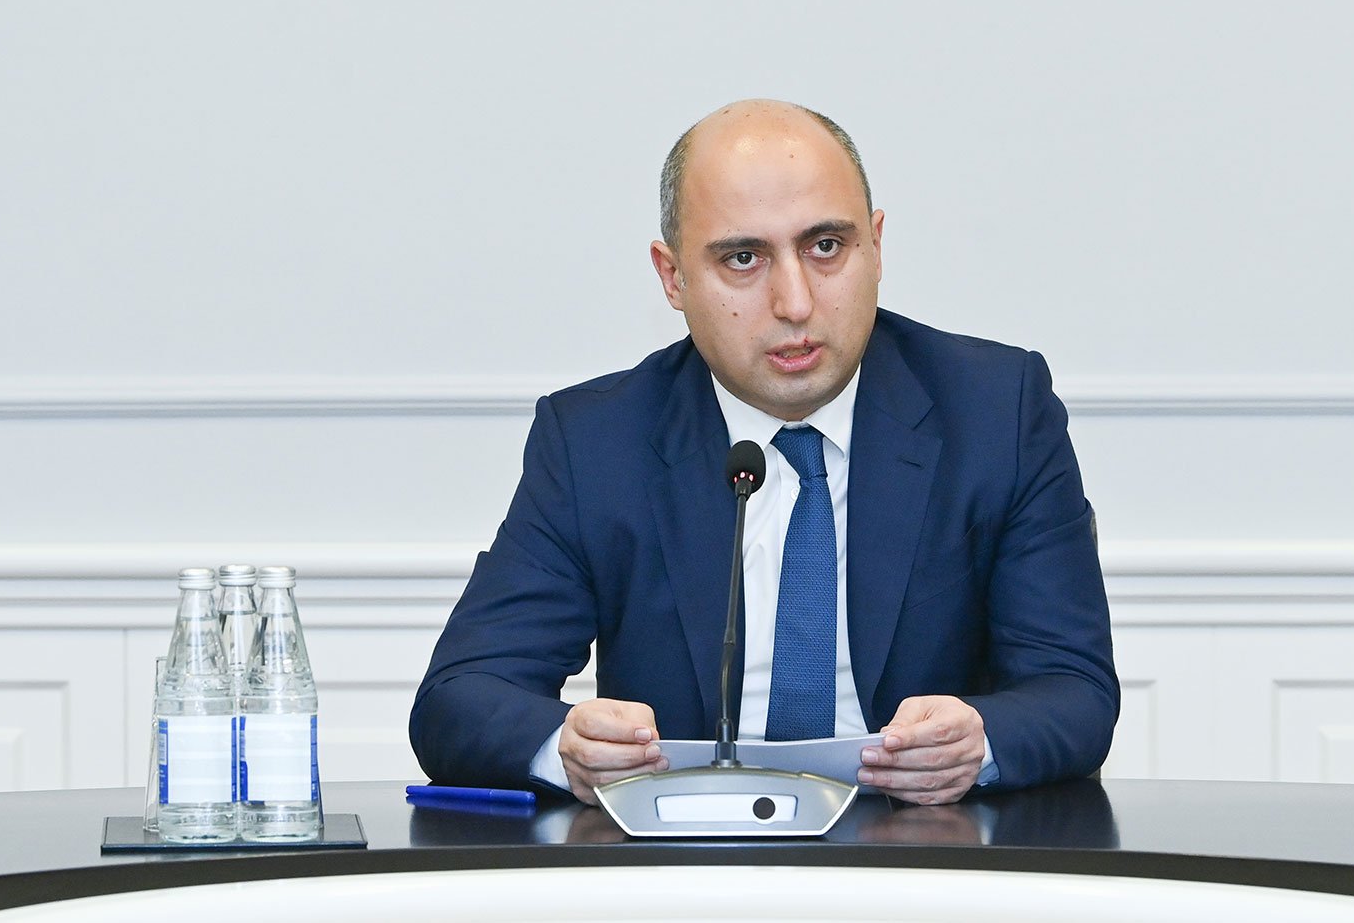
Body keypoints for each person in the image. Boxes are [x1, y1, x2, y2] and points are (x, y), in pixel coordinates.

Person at [410, 100, 1116, 805]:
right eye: (743, 259)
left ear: (876, 247)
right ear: (673, 277)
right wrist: (567, 746)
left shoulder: (995, 412)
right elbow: (459, 697)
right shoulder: (598, 440)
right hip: (684, 851)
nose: (795, 302)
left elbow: (1074, 688)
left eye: (826, 247)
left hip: (921, 842)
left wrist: (979, 742)